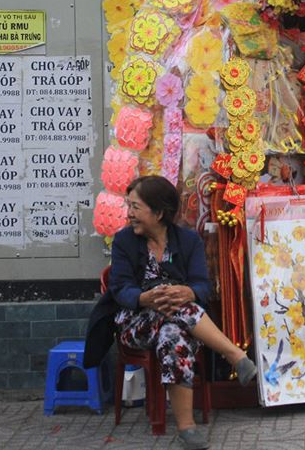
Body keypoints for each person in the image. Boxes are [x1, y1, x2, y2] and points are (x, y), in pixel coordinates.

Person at [84, 175, 256, 450]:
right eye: (129, 206)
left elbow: (202, 285)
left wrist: (188, 292)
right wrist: (145, 298)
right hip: (135, 322)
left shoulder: (188, 240)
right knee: (177, 309)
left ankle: (186, 429)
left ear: (159, 212)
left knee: (173, 335)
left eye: (136, 207)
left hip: (178, 321)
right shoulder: (124, 241)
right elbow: (119, 289)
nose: (129, 214)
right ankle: (234, 354)